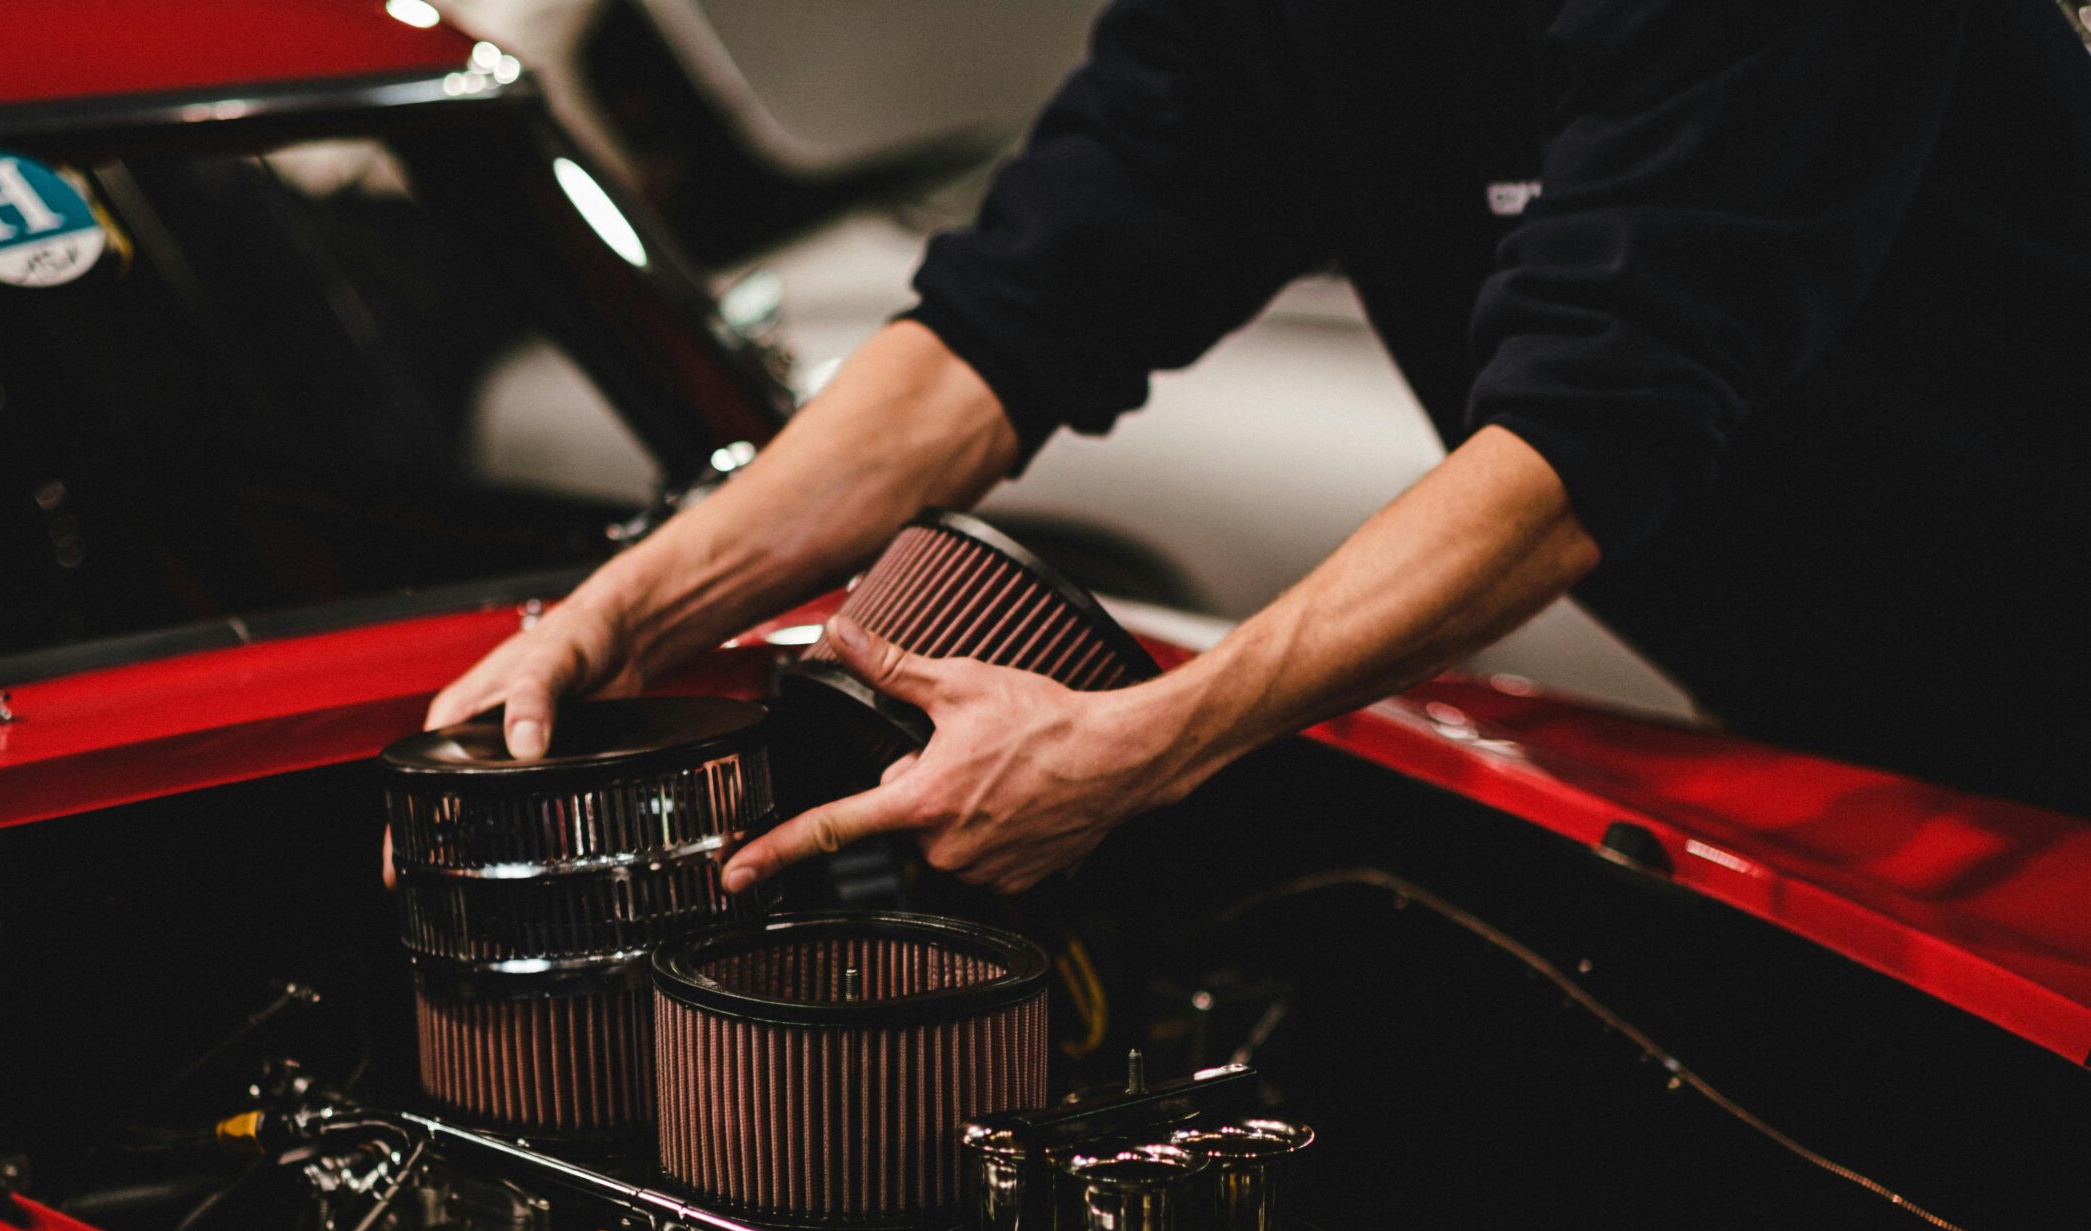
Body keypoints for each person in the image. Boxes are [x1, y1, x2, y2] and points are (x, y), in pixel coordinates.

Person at [427, 0, 2091, 895]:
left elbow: (1590, 432)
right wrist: (638, 605)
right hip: (1852, 709)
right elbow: (1007, 323)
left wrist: (1141, 745)